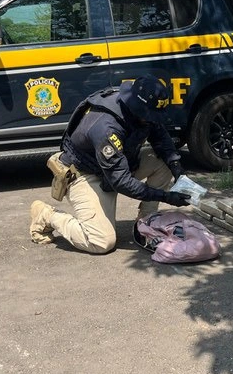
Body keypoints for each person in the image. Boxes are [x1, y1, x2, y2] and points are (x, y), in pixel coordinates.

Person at [29, 75, 190, 254]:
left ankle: (145, 224)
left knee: (164, 162)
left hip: (119, 164)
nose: (152, 119)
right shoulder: (106, 127)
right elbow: (121, 182)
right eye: (149, 116)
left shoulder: (140, 111)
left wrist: (176, 168)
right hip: (86, 174)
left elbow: (159, 135)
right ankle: (47, 215)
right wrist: (165, 196)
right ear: (137, 107)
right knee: (101, 242)